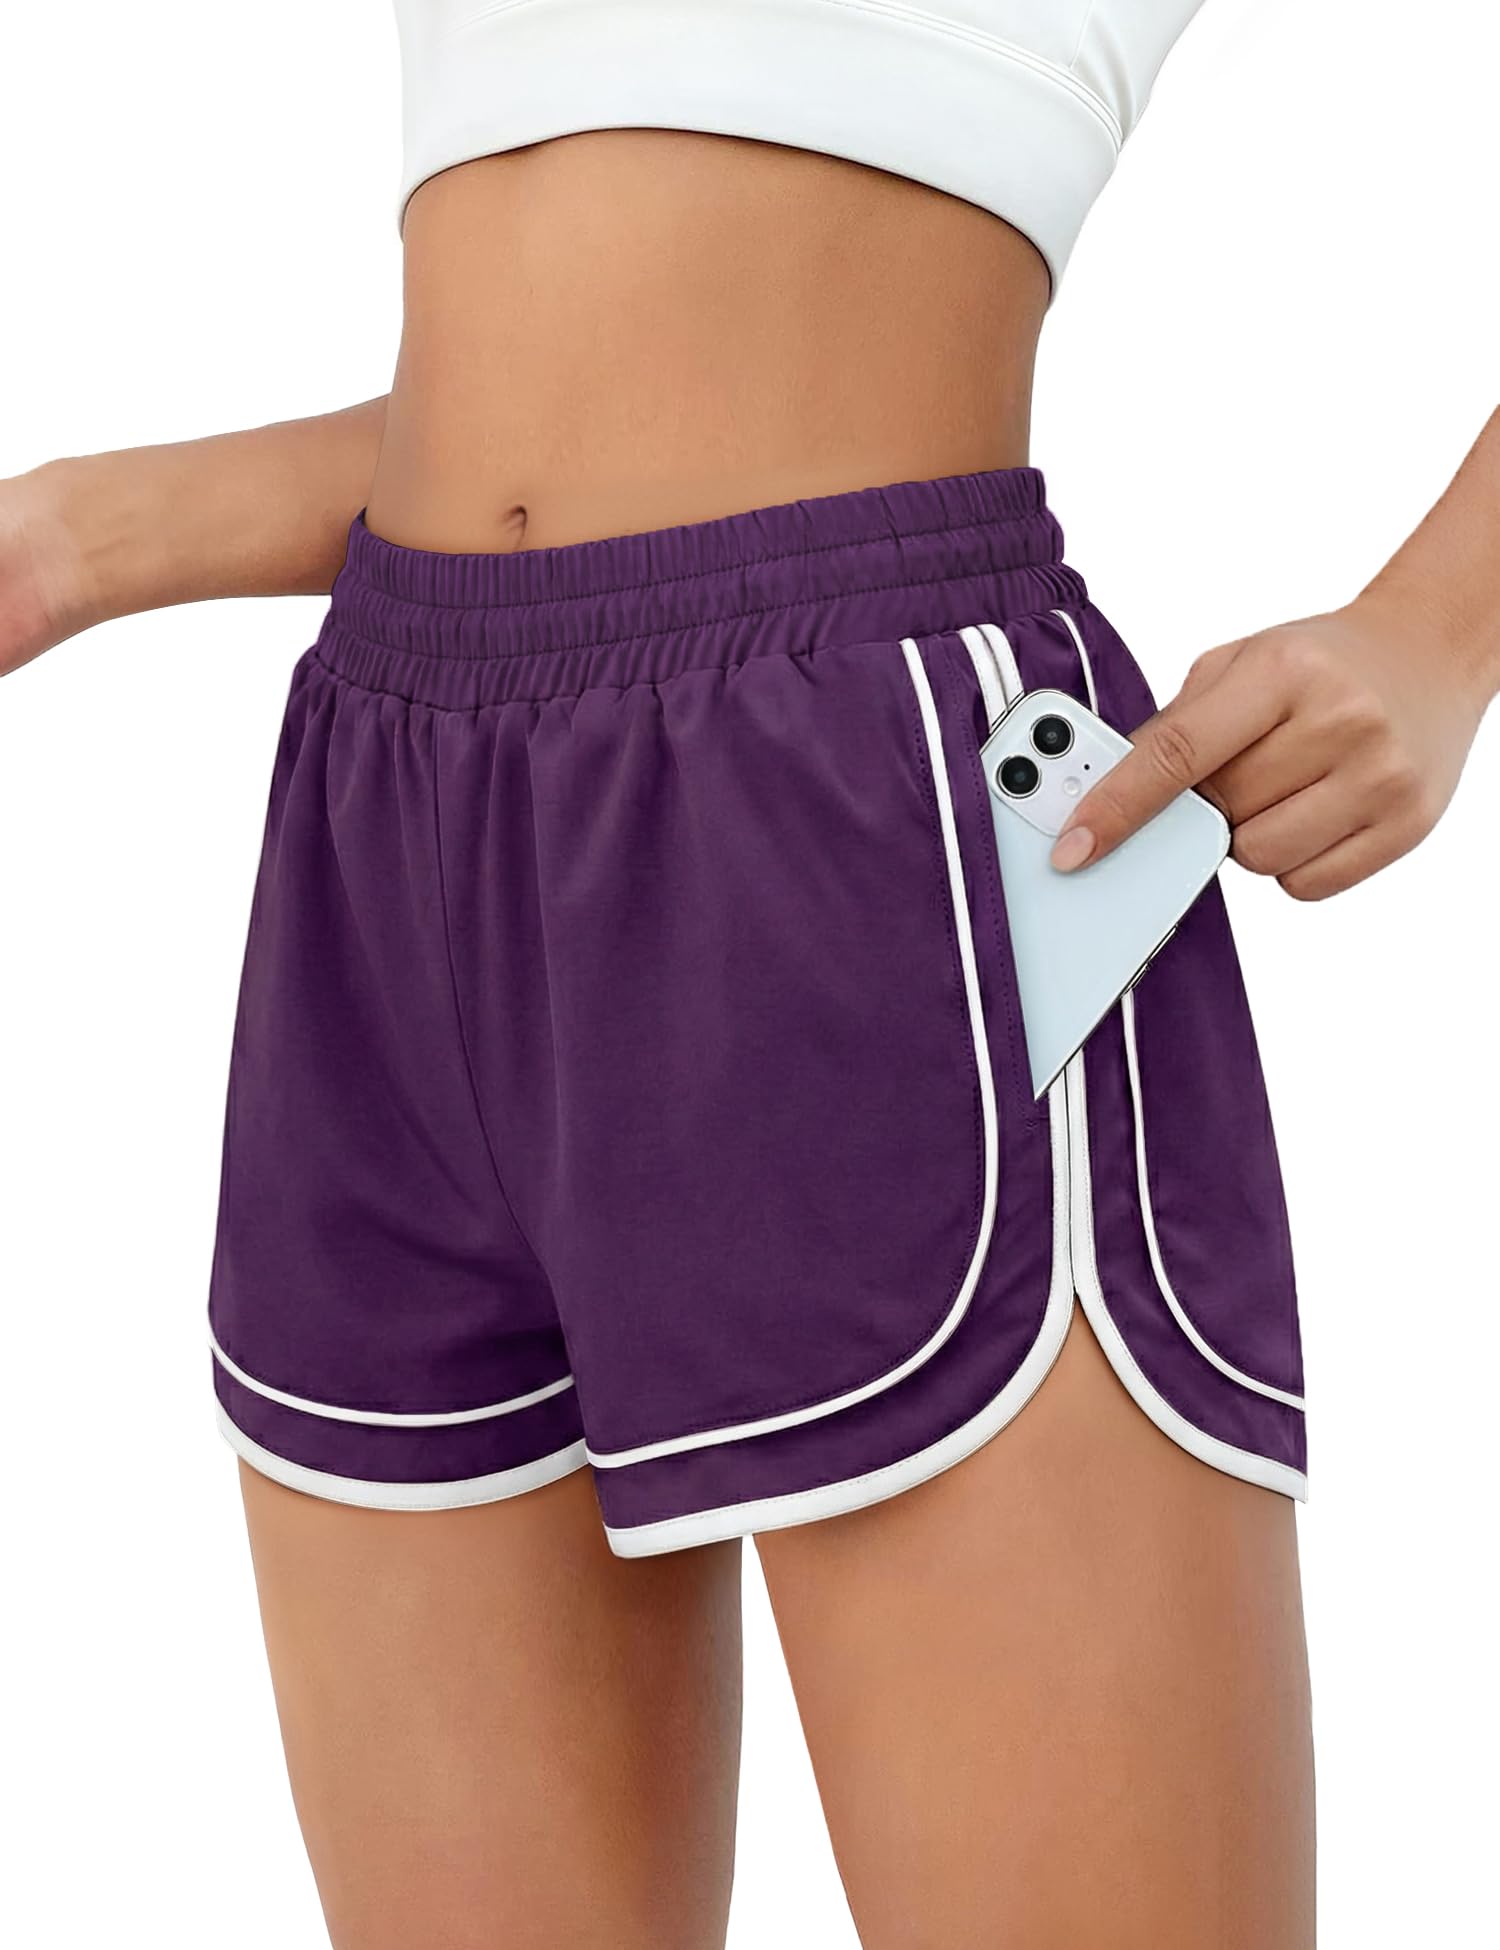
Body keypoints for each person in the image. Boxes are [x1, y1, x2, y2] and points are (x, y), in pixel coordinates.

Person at [2, 4, 1495, 1945]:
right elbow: (584, 377)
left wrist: (1444, 626)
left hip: (865, 793)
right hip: (386, 810)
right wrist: (71, 536)